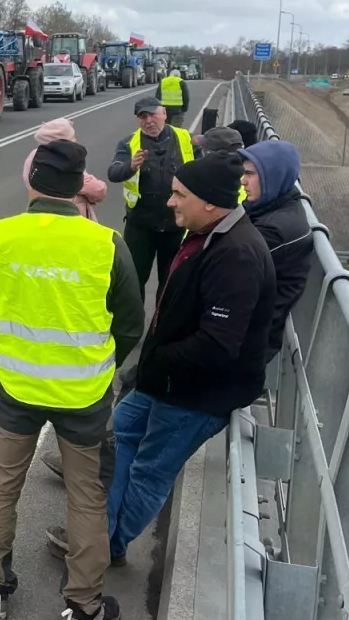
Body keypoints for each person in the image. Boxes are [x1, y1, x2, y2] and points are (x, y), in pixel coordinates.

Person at [0, 141, 144, 620]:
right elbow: (131, 322)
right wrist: (103, 364)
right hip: (84, 394)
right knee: (86, 496)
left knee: (1, 484)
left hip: (15, 386)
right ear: (77, 187)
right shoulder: (105, 244)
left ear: (33, 182)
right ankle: (84, 607)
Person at [101, 152, 275, 566]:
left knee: (151, 470)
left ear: (210, 202)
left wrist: (158, 363)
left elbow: (217, 344)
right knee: (123, 428)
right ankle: (99, 532)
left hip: (196, 393)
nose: (170, 201)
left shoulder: (236, 255)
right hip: (166, 378)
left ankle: (107, 547)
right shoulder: (207, 231)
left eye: (179, 194)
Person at [107, 97, 200, 301]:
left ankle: (160, 329)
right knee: (132, 282)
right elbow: (113, 173)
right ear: (137, 120)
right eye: (143, 116)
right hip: (141, 225)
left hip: (177, 225)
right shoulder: (128, 143)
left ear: (164, 113)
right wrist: (130, 166)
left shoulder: (185, 138)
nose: (149, 120)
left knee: (171, 283)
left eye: (153, 114)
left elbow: (204, 168)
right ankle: (133, 330)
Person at [239, 139, 313, 364]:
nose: (243, 181)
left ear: (272, 176)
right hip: (245, 334)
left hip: (244, 346)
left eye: (250, 174)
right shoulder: (274, 206)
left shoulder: (274, 230)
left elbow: (223, 269)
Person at [20, 118, 107, 220]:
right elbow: (96, 190)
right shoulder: (66, 160)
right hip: (70, 216)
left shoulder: (34, 157)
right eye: (73, 138)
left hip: (38, 213)